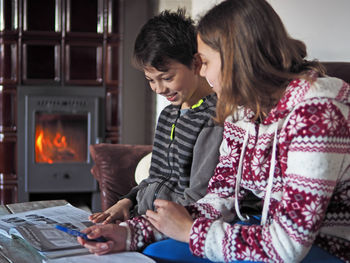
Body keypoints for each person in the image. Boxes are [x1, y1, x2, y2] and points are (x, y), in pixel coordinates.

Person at [78, 0, 350, 262]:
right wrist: (132, 233)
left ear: (235, 60)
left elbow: (289, 245)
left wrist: (189, 231)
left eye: (205, 62)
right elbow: (219, 198)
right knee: (152, 253)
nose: (203, 74)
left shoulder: (318, 112)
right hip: (263, 233)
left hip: (324, 247)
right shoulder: (240, 111)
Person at [89, 9, 223, 224]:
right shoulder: (168, 115)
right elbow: (156, 179)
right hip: (144, 218)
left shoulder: (213, 119)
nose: (159, 88)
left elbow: (198, 197)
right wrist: (126, 202)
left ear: (196, 64)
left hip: (173, 225)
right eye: (151, 80)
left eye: (167, 78)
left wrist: (137, 227)